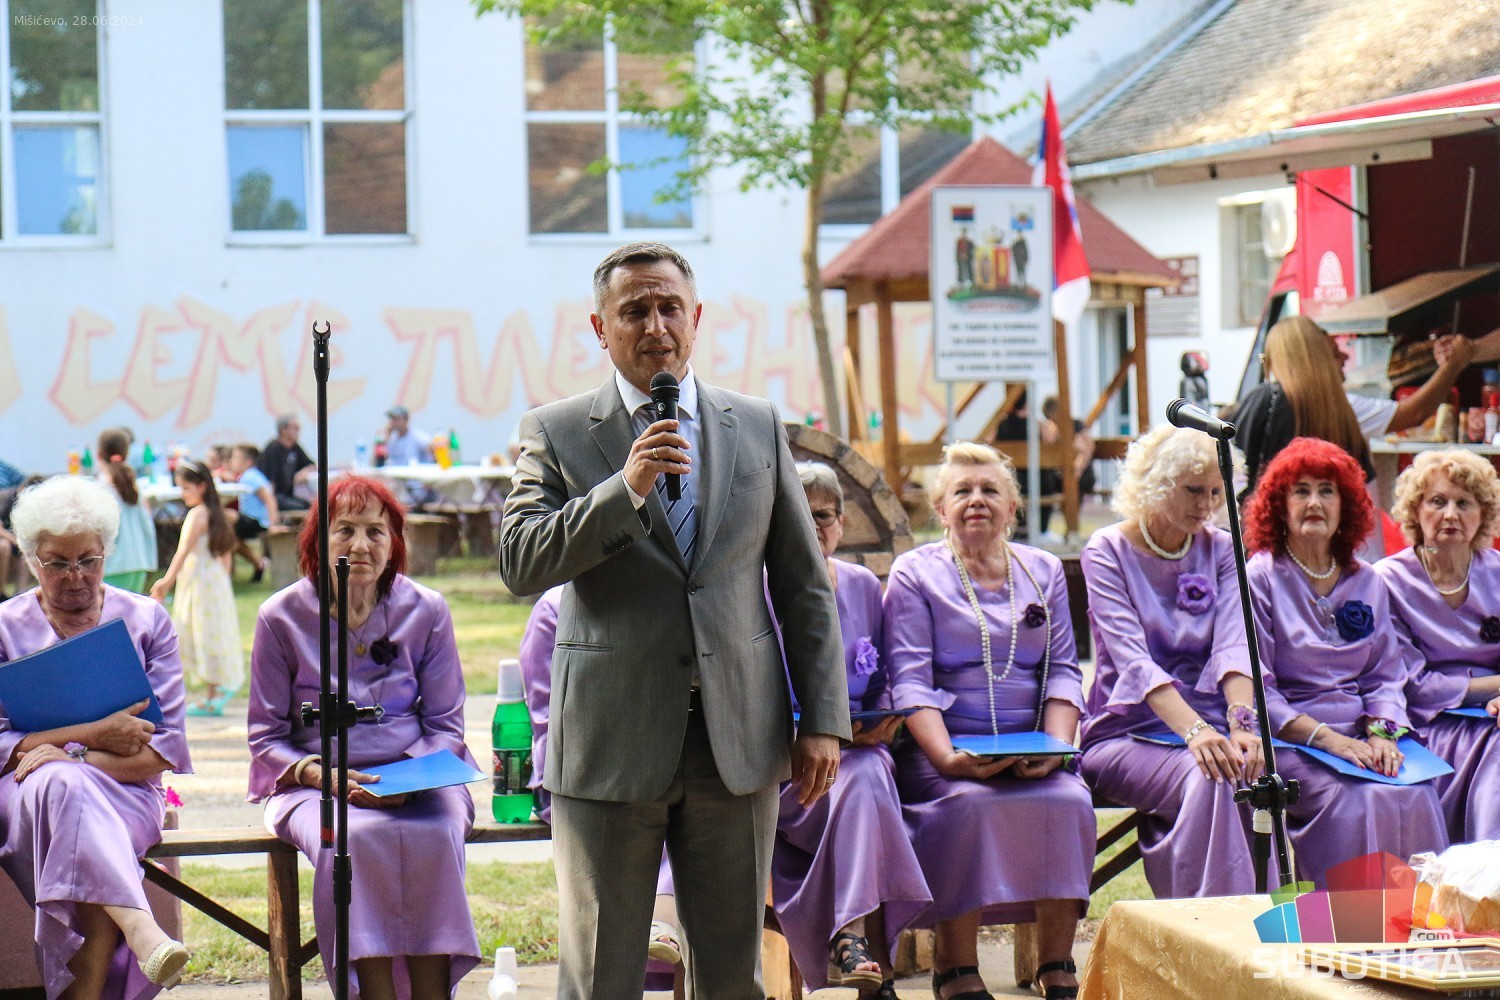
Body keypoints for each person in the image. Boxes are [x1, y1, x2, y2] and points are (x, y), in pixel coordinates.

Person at [499, 241, 849, 1000]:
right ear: (601, 328)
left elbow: (803, 585)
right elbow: (520, 561)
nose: (655, 326)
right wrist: (623, 490)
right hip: (612, 740)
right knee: (602, 976)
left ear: (696, 317)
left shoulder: (755, 424)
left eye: (668, 308)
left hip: (737, 740)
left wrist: (823, 718)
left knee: (732, 977)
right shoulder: (557, 431)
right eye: (634, 311)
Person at [248, 476, 480, 999]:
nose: (360, 545)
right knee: (350, 841)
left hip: (419, 781)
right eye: (345, 530)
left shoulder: (427, 609)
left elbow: (446, 724)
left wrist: (408, 781)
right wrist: (322, 777)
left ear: (393, 542)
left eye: (376, 531)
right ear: (318, 541)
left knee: (437, 835)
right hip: (311, 785)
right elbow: (265, 737)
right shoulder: (280, 617)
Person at [884, 442, 1091, 1000]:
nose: (976, 500)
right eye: (962, 491)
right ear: (940, 508)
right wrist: (948, 759)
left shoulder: (1044, 570)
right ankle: (954, 965)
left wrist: (1056, 748)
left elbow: (1064, 672)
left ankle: (1055, 959)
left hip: (1034, 749)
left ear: (1012, 507)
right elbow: (909, 680)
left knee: (1069, 801)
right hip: (944, 751)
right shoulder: (915, 573)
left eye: (989, 490)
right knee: (967, 807)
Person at [0, 476, 192, 997]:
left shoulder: (147, 620)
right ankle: (143, 930)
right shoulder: (5, 626)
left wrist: (66, 755)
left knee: (69, 794)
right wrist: (95, 734)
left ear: (107, 552)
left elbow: (165, 749)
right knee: (60, 788)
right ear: (31, 560)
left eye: (89, 560)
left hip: (127, 789)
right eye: (56, 563)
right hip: (25, 794)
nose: (75, 576)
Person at [1244, 438, 1447, 888]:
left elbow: (1385, 675)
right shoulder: (1260, 576)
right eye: (1301, 491)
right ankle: (1344, 924)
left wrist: (1382, 733)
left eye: (1327, 491)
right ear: (1279, 506)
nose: (1314, 502)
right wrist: (1329, 740)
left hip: (1360, 734)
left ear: (1346, 505)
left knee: (1417, 794)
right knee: (1362, 802)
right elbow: (1259, 688)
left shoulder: (1367, 579)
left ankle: (1415, 923)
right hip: (1293, 740)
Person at [1078, 425, 1266, 899]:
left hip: (1212, 729)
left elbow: (1234, 645)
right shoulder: (1106, 550)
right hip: (1126, 733)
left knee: (1255, 770)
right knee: (1215, 777)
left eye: (1216, 492)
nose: (1207, 505)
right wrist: (1195, 731)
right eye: (1193, 490)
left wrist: (1242, 724)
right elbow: (1134, 663)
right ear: (1156, 483)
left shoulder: (1222, 548)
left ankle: (1263, 917)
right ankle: (1211, 923)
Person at [771, 463, 930, 998]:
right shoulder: (758, 589)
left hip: (860, 751)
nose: (814, 526)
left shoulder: (862, 585)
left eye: (824, 515)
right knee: (865, 785)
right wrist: (818, 732)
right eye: (800, 513)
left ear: (841, 524)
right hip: (787, 766)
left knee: (869, 774)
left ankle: (854, 943)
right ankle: (858, 946)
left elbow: (882, 678)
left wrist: (886, 718)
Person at [518, 587, 686, 992]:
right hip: (584, 765)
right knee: (632, 804)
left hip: (668, 758)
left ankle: (662, 923)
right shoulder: (553, 608)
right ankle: (656, 920)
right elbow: (546, 715)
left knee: (683, 803)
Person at [1377, 450, 1500, 843]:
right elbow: (1411, 684)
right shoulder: (1387, 581)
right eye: (1437, 501)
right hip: (1428, 723)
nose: (1450, 514)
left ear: (1483, 514)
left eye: (1464, 503)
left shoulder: (1497, 571)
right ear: (1415, 511)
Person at [1234, 316, 1474, 494]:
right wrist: (1454, 365)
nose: (1346, 358)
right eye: (1335, 352)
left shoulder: (1264, 402)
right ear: (1314, 358)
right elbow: (1415, 412)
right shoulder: (1336, 407)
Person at [150, 461, 243, 717]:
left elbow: (183, 551)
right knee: (211, 632)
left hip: (201, 580)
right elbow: (225, 554)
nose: (183, 494)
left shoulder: (198, 514)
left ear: (201, 487)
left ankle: (213, 693)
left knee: (201, 632)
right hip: (214, 579)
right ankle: (213, 691)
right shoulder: (216, 513)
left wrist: (166, 581)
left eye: (186, 488)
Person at [97, 428, 158, 594]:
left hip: (113, 567)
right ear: (127, 454)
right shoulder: (134, 487)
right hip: (138, 564)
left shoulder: (100, 490)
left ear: (98, 455)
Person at [227, 444, 277, 583]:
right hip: (249, 520)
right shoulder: (247, 476)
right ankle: (258, 564)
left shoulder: (251, 476)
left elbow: (268, 498)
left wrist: (273, 523)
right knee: (229, 538)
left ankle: (256, 564)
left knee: (224, 516)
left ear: (248, 462)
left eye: (235, 458)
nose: (232, 461)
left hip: (257, 521)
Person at [257, 414, 315, 512]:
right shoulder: (273, 449)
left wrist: (304, 472)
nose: (298, 431)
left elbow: (311, 464)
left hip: (288, 495)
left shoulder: (295, 448)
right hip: (275, 497)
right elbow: (269, 482)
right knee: (301, 508)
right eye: (295, 428)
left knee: (311, 505)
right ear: (284, 429)